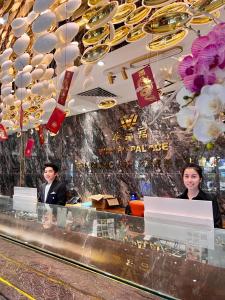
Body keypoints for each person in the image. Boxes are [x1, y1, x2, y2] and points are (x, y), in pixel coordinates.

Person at [177, 163, 222, 228]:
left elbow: (217, 225)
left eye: (194, 176)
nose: (189, 180)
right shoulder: (178, 200)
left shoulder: (210, 199)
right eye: (186, 176)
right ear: (183, 178)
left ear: (200, 179)